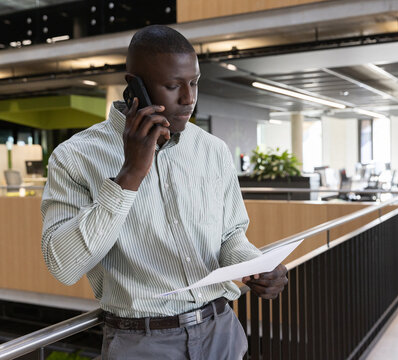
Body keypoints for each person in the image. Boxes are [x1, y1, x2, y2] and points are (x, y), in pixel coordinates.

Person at [41, 25, 288, 360]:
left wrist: (256, 267)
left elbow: (229, 235)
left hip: (222, 331)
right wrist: (129, 175)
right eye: (173, 86)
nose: (189, 99)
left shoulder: (212, 150)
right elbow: (63, 267)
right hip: (142, 345)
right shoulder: (74, 157)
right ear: (135, 86)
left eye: (194, 83)